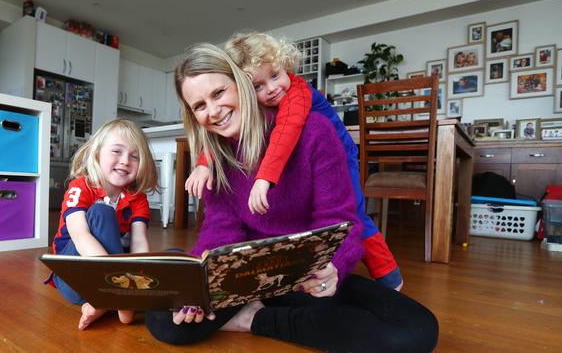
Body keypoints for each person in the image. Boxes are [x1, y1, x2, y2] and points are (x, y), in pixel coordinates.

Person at [145, 43, 439, 352]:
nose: (214, 111)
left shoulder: (315, 130)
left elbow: (342, 222)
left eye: (218, 93)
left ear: (241, 84)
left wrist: (333, 269)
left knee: (416, 330)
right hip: (247, 279)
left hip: (307, 275)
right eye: (199, 105)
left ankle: (251, 320)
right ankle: (260, 315)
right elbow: (221, 231)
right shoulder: (217, 159)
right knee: (166, 320)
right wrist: (197, 288)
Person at [185, 32, 403, 290]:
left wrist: (264, 177)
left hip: (340, 154)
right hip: (276, 256)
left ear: (286, 66)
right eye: (257, 86)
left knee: (354, 212)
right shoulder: (233, 133)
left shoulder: (297, 94)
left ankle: (390, 278)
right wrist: (202, 163)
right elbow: (218, 137)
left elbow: (285, 134)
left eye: (275, 75)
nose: (272, 89)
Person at [45, 119, 158, 330]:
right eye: (117, 151)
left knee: (170, 259)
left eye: (134, 156)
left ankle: (104, 304)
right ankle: (115, 300)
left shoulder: (137, 198)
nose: (125, 161)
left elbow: (140, 243)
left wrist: (138, 282)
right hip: (74, 279)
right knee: (100, 212)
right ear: (97, 155)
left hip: (113, 279)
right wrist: (114, 283)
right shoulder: (80, 187)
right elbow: (80, 236)